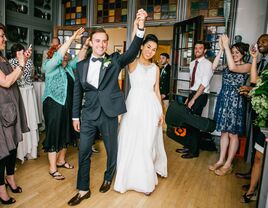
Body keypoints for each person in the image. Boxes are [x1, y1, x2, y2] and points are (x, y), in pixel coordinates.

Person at [68, 9, 147, 206]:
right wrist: (75, 117)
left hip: (109, 113)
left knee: (112, 150)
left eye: (104, 41)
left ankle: (108, 176)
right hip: (88, 115)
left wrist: (140, 27)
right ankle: (83, 189)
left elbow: (133, 51)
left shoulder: (114, 61)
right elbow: (77, 92)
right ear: (91, 43)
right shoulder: (80, 66)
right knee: (84, 151)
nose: (101, 44)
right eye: (97, 41)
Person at [114, 33, 168, 195]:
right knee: (129, 140)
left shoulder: (156, 69)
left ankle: (145, 181)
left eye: (154, 49)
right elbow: (131, 48)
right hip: (133, 107)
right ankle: (128, 178)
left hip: (151, 108)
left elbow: (156, 90)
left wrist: (161, 113)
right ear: (142, 46)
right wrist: (138, 26)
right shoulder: (133, 63)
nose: (150, 51)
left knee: (146, 143)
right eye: (148, 47)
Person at [42, 27, 88, 181]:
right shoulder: (49, 66)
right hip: (53, 105)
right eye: (63, 51)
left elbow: (80, 57)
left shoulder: (68, 67)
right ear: (56, 54)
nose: (66, 52)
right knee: (55, 134)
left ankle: (61, 161)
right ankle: (52, 168)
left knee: (66, 132)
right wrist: (73, 37)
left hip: (67, 105)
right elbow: (59, 54)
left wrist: (87, 44)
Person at [208, 35, 251, 176]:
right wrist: (221, 50)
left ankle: (228, 164)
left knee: (233, 134)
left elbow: (233, 67)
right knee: (224, 133)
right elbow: (212, 67)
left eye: (237, 52)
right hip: (224, 100)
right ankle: (221, 160)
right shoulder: (226, 65)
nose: (233, 54)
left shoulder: (247, 66)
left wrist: (227, 46)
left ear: (244, 54)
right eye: (232, 52)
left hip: (236, 102)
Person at [0, 23, 30, 204]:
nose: (5, 39)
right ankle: (1, 190)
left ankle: (10, 177)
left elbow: (15, 77)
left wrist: (22, 62)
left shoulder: (2, 57)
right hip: (2, 111)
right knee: (2, 151)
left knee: (12, 147)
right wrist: (20, 64)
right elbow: (5, 82)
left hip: (11, 108)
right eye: (1, 36)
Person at [236, 34, 268, 180]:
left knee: (261, 148)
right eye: (258, 41)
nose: (260, 43)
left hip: (265, 113)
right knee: (255, 143)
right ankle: (253, 174)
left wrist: (251, 89)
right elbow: (256, 83)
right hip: (257, 109)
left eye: (263, 41)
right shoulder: (261, 62)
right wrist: (249, 89)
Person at [176, 40, 213, 159]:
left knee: (195, 123)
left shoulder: (207, 64)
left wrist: (194, 100)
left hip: (201, 96)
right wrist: (189, 98)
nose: (197, 50)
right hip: (193, 94)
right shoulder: (192, 63)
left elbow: (203, 85)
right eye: (196, 48)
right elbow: (191, 83)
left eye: (200, 48)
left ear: (204, 50)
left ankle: (194, 151)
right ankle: (188, 146)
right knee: (187, 121)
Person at [159, 52, 171, 131]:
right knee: (161, 111)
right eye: (160, 58)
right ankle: (162, 127)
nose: (161, 60)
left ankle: (167, 128)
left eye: (163, 58)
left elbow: (169, 82)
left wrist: (165, 93)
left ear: (167, 59)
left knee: (167, 111)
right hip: (160, 93)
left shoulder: (170, 68)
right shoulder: (161, 68)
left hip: (166, 94)